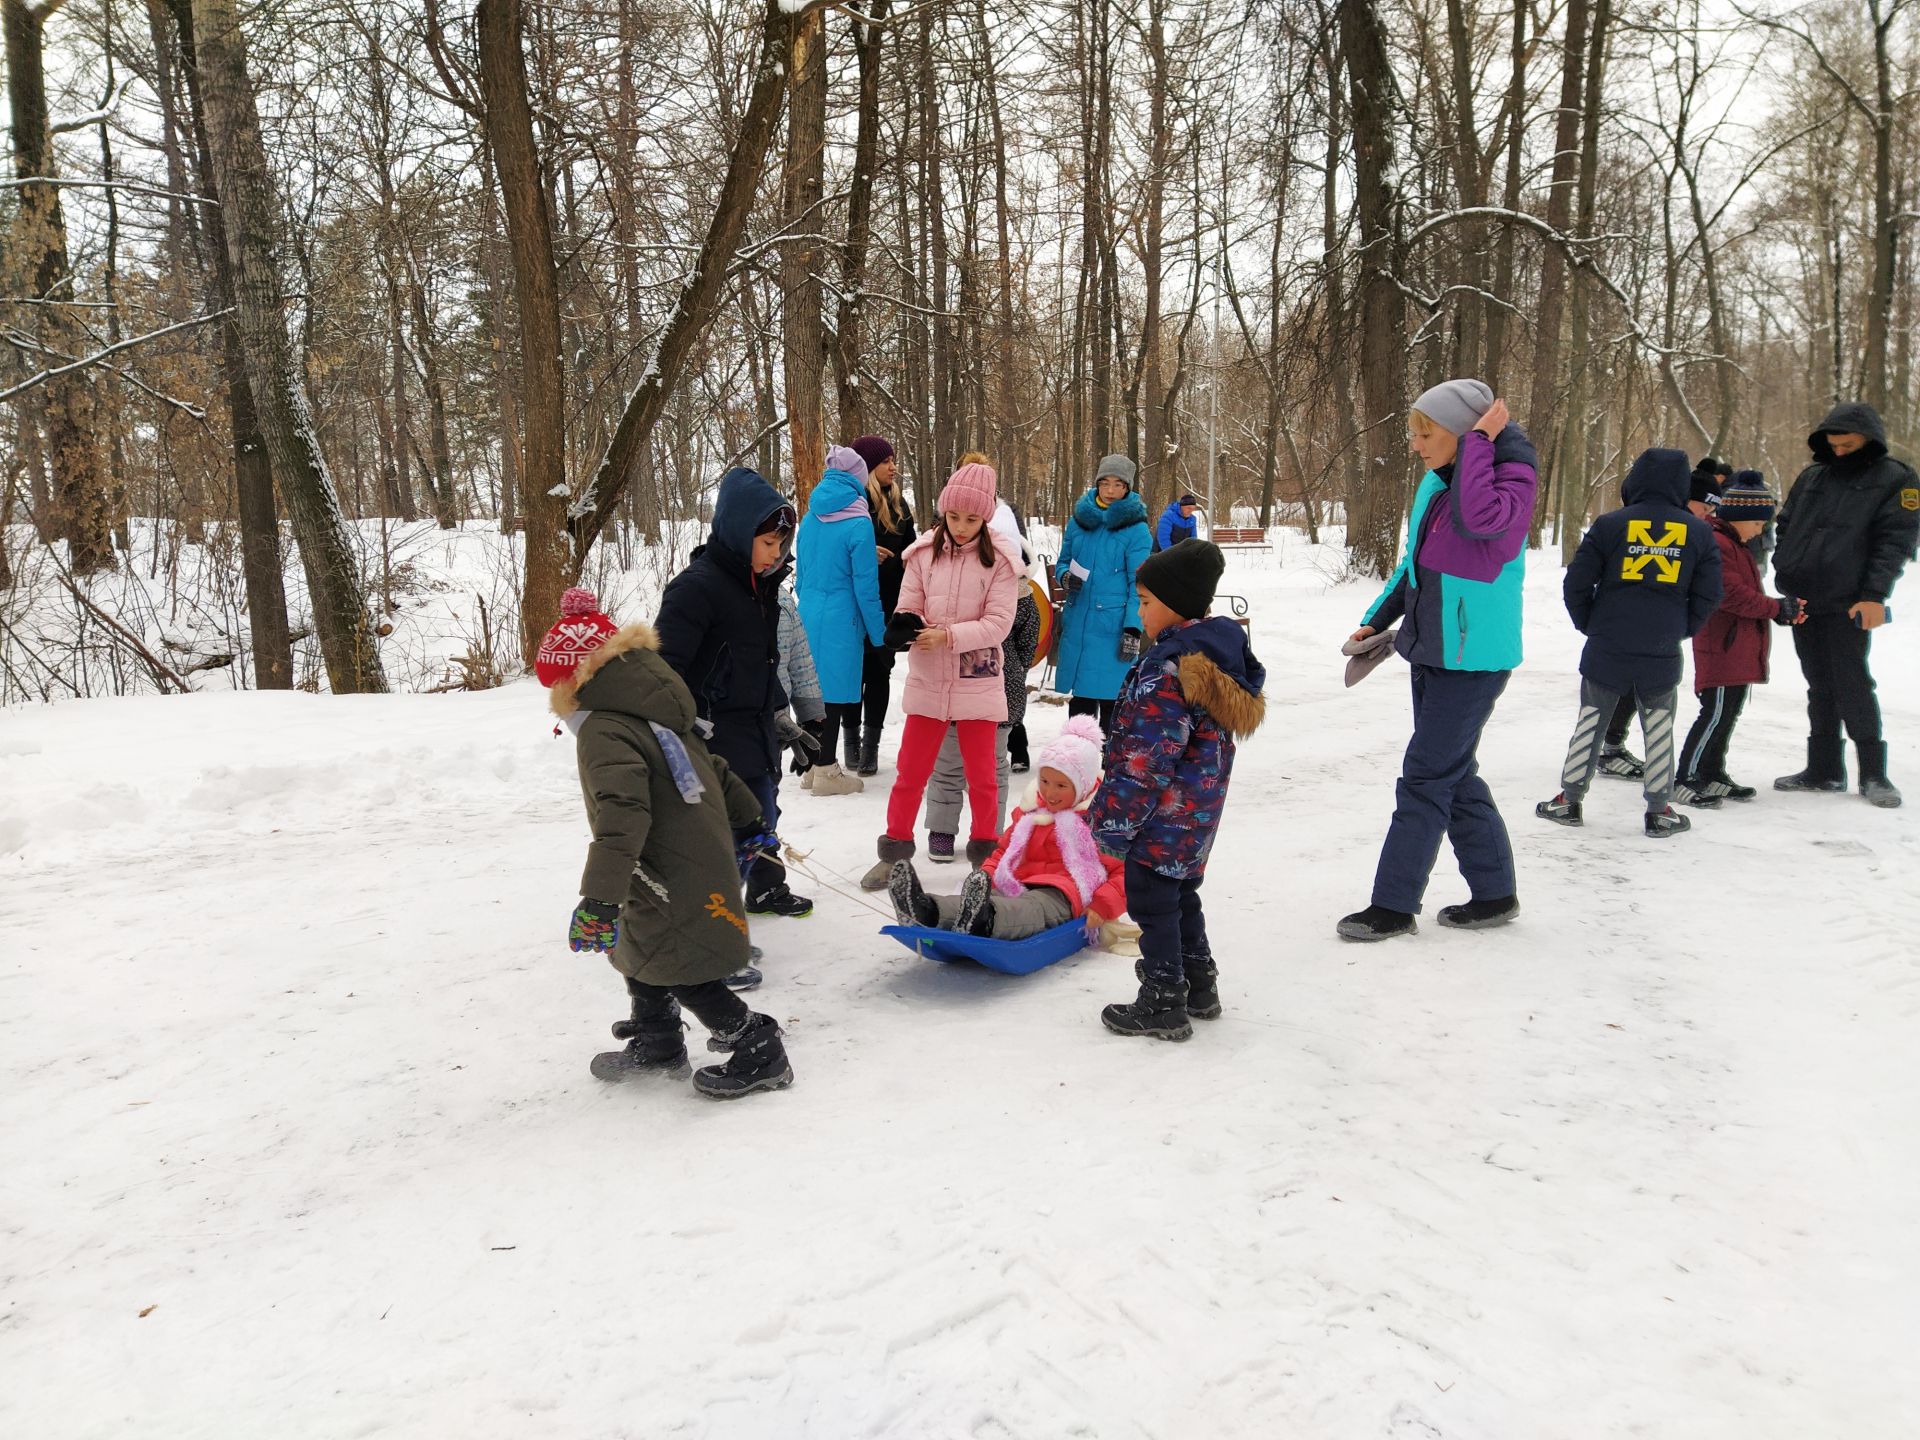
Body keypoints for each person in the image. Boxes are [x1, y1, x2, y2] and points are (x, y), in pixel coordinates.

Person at [538, 588, 794, 1099]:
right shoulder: (652, 709)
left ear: (573, 681)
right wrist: (752, 824)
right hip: (671, 864)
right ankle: (657, 1040)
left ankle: (759, 1048)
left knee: (683, 964)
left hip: (667, 869)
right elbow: (716, 769)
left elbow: (622, 815)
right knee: (643, 951)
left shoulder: (606, 729)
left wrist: (600, 897)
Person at [1336, 381, 1537, 942]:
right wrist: (1378, 618)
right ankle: (1495, 893)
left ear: (1469, 433)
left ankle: (1393, 906)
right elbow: (1414, 566)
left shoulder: (1510, 483)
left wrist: (1478, 446)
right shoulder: (1434, 484)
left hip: (1475, 658)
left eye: (1428, 433)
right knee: (1453, 773)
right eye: (1414, 433)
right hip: (1430, 648)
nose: (1417, 445)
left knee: (1426, 775)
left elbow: (1480, 524)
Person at [1091, 539, 1265, 1039]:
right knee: (1181, 894)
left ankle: (1164, 998)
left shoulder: (1169, 669)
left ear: (1176, 604)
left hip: (1162, 813)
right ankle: (1199, 983)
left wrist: (1113, 819)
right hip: (1197, 810)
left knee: (1151, 899)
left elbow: (1147, 762)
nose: (1139, 610)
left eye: (1146, 602)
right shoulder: (1210, 657)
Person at [1536, 447, 1722, 837]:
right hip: (1662, 646)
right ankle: (1660, 810)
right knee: (1658, 726)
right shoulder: (1700, 532)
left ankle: (1568, 802)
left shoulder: (1610, 524)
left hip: (1608, 643)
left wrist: (1590, 622)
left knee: (1591, 720)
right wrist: (1681, 627)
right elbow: (1709, 594)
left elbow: (1576, 582)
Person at [655, 467, 812, 925]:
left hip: (754, 729)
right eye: (768, 543)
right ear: (741, 533)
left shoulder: (760, 588)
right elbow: (665, 672)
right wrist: (682, 735)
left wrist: (780, 714)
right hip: (712, 738)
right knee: (723, 841)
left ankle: (764, 890)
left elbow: (759, 661)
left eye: (782, 545)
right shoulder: (696, 589)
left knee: (762, 818)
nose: (776, 554)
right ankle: (707, 936)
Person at [859, 461, 1022, 888]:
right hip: (929, 679)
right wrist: (903, 622)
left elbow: (999, 623)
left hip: (977, 678)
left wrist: (948, 636)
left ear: (985, 516)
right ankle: (894, 850)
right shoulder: (922, 553)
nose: (962, 526)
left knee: (984, 778)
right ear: (943, 512)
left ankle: (985, 856)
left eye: (972, 518)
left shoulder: (1002, 561)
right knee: (911, 773)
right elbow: (908, 601)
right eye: (954, 517)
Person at [1770, 402, 1918, 807]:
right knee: (1818, 684)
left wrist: (1873, 596)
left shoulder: (1896, 479)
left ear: (1869, 440)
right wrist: (1785, 564)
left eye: (1848, 444)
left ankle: (1874, 774)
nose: (1838, 450)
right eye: (1833, 444)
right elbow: (1786, 524)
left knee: (1851, 683)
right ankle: (1824, 769)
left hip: (1850, 601)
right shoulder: (1813, 475)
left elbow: (1896, 543)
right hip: (1803, 597)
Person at [890, 715, 1125, 940]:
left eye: (1061, 785)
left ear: (1083, 785)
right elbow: (1003, 852)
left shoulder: (1103, 822)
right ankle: (927, 910)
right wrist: (986, 875)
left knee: (1031, 908)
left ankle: (986, 920)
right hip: (1017, 880)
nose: (1050, 792)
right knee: (983, 896)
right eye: (1044, 781)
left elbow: (1125, 874)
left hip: (1064, 891)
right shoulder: (1031, 812)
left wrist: (1102, 905)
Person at [1675, 473, 1804, 806]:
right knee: (1714, 713)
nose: (1761, 531)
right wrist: (1775, 607)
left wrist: (1779, 609)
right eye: (1759, 524)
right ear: (1741, 518)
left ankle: (1712, 772)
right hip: (1721, 644)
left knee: (1728, 712)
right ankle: (1685, 777)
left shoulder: (1736, 545)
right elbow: (1729, 595)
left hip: (1736, 646)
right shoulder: (1718, 543)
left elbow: (1746, 594)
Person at [923, 502, 1042, 860]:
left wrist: (1012, 669)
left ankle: (987, 833)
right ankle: (942, 831)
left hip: (998, 697)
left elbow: (1027, 642)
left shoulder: (1022, 596)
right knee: (947, 764)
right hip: (950, 691)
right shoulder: (947, 580)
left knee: (990, 769)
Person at [795, 445, 888, 797]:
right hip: (842, 615)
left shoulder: (809, 516)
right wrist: (879, 637)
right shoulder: (858, 523)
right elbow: (866, 588)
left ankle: (813, 764)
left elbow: (801, 575)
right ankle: (826, 770)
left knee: (812, 689)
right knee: (833, 695)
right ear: (858, 480)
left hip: (810, 610)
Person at [1054, 454, 1153, 729]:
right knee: (1081, 702)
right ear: (1097, 484)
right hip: (1079, 621)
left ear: (1127, 488)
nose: (1110, 491)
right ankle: (1077, 758)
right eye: (1105, 483)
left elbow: (1139, 583)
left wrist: (1133, 629)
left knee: (1113, 699)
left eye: (1118, 485)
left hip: (1113, 626)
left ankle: (1111, 763)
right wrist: (1064, 576)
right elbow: (1063, 560)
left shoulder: (1136, 530)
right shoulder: (1079, 521)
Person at [853, 434, 916, 776]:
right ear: (867, 467)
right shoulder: (854, 502)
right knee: (854, 673)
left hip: (888, 603)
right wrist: (865, 554)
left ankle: (870, 749)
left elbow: (911, 547)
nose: (893, 467)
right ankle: (849, 741)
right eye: (885, 461)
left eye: (893, 460)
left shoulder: (900, 504)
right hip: (855, 603)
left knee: (879, 671)